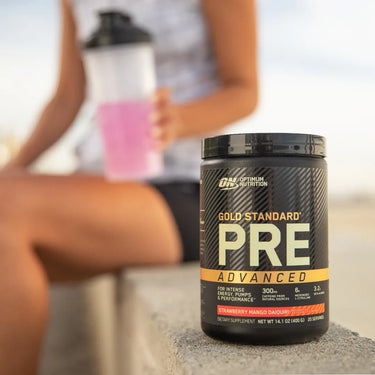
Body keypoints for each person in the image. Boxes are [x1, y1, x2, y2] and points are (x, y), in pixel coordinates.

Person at [0, 0, 258, 373]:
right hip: (96, 181)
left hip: (180, 185)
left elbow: (244, 89)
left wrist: (177, 120)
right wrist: (13, 169)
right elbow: (67, 97)